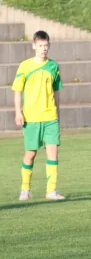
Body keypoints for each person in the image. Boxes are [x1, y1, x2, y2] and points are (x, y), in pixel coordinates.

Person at [12, 30, 65, 201]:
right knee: (31, 154)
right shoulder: (25, 66)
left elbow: (57, 91)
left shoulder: (53, 66)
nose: (44, 49)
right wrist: (18, 112)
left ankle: (51, 191)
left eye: (46, 46)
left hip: (50, 117)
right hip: (31, 117)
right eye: (41, 45)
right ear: (34, 45)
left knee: (53, 153)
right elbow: (17, 91)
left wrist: (58, 112)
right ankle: (25, 189)